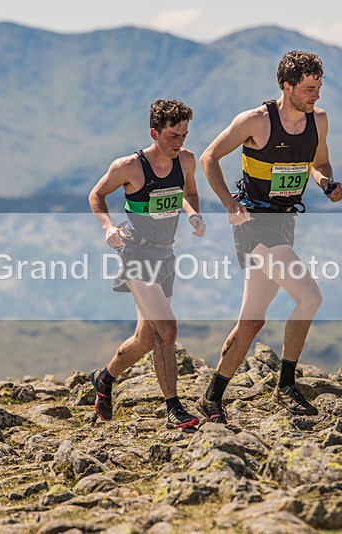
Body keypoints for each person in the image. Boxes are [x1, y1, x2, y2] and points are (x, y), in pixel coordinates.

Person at [195, 50, 342, 423]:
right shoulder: (255, 121)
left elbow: (319, 162)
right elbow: (208, 158)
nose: (316, 96)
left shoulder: (318, 120)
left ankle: (211, 399)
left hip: (284, 223)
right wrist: (229, 203)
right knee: (310, 297)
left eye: (319, 88)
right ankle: (286, 386)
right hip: (254, 224)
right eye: (309, 89)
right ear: (287, 86)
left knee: (251, 322)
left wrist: (326, 182)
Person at [88, 99, 206, 431]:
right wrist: (108, 227)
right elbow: (96, 195)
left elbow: (189, 193)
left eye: (183, 135)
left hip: (165, 255)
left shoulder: (186, 160)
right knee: (167, 329)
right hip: (136, 254)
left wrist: (193, 214)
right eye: (172, 136)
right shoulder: (130, 166)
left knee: (145, 339)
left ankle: (104, 379)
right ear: (155, 133)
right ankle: (173, 409)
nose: (179, 142)